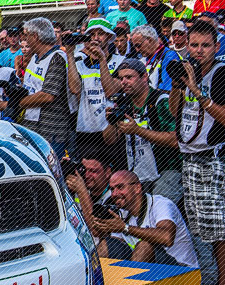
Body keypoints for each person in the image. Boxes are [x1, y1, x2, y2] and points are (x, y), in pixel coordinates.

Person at [171, 21, 225, 285]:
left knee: (220, 224)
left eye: (205, 45)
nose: (199, 51)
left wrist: (197, 91)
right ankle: (224, 283)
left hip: (212, 157)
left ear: (216, 47)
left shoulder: (223, 74)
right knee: (207, 226)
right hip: (191, 155)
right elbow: (175, 112)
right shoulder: (190, 72)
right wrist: (178, 86)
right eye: (194, 45)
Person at [108, 57, 182, 204]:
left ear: (144, 77)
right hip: (136, 173)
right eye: (121, 78)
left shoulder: (160, 100)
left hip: (166, 169)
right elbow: (109, 140)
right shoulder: (124, 103)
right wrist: (112, 121)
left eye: (129, 77)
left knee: (158, 207)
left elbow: (175, 140)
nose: (124, 82)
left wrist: (138, 130)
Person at [90, 169, 200, 268]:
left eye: (120, 187)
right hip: (148, 273)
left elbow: (167, 238)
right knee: (106, 244)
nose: (115, 194)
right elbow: (117, 247)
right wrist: (102, 229)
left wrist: (125, 228)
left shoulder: (161, 204)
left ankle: (130, 284)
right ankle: (97, 283)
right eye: (112, 189)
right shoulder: (122, 213)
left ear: (137, 188)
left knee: (144, 246)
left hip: (181, 272)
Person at [11, 18, 72, 155]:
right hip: (32, 126)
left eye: (26, 36)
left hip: (50, 131)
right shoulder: (35, 57)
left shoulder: (57, 57)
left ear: (35, 36)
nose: (24, 40)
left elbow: (47, 95)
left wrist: (17, 103)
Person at [67, 19, 114, 153]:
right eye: (92, 34)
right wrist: (69, 54)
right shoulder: (80, 62)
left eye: (100, 34)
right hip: (86, 128)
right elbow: (75, 89)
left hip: (109, 128)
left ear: (109, 36)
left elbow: (110, 91)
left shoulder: (119, 61)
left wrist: (102, 59)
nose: (96, 38)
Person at [128, 24, 181, 93]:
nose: (137, 50)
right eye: (134, 46)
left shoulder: (169, 56)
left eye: (138, 45)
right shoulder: (143, 59)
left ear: (150, 40)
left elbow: (169, 90)